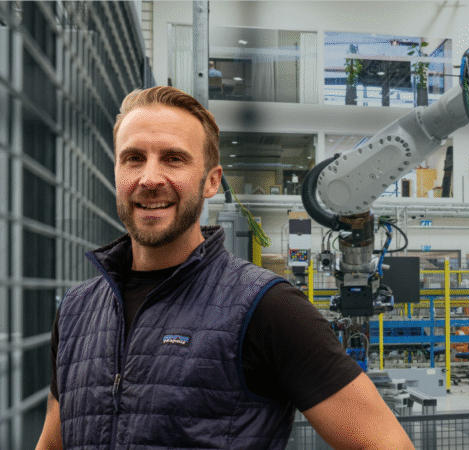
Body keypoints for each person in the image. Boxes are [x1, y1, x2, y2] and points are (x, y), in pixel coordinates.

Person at [36, 86, 414, 450]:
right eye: (133, 158)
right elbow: (54, 441)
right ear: (117, 172)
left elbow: (384, 441)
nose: (149, 178)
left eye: (174, 158)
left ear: (211, 182)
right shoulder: (77, 310)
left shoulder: (267, 307)